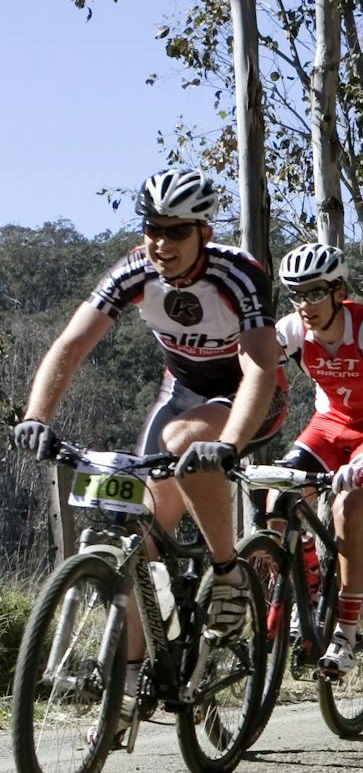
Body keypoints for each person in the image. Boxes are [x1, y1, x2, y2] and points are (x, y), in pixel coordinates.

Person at [12, 168, 286, 669]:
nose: (162, 242)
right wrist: (37, 417)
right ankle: (128, 685)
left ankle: (227, 574)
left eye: (177, 230)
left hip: (249, 395)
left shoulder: (238, 274)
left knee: (184, 441)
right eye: (153, 227)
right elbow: (71, 346)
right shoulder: (133, 270)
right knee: (138, 532)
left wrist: (227, 443)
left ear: (205, 232)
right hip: (182, 390)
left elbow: (260, 369)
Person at [270, 242, 363, 677]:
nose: (304, 305)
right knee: (277, 502)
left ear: (338, 291)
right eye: (296, 294)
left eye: (314, 293)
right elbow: (252, 377)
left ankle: (346, 634)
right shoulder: (290, 330)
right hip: (328, 425)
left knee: (347, 512)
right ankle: (307, 591)